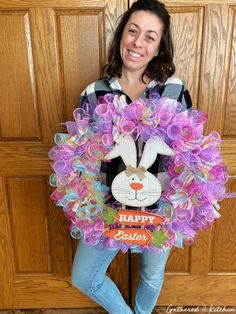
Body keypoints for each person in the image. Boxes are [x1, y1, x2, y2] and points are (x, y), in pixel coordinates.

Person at [71, 0, 192, 313]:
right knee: (84, 276)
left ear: (158, 48)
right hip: (108, 207)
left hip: (161, 207)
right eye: (133, 31)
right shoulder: (93, 92)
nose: (138, 42)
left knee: (151, 275)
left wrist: (183, 198)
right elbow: (82, 154)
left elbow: (190, 150)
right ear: (121, 36)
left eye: (150, 37)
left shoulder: (173, 90)